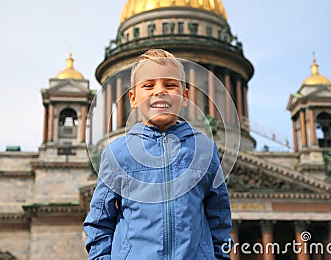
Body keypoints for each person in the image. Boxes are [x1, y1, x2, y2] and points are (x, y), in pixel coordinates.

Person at [83, 49, 233, 259]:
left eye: (170, 85)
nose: (159, 91)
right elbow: (99, 221)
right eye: (148, 85)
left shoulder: (205, 150)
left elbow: (219, 218)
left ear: (184, 96)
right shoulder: (117, 153)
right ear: (133, 98)